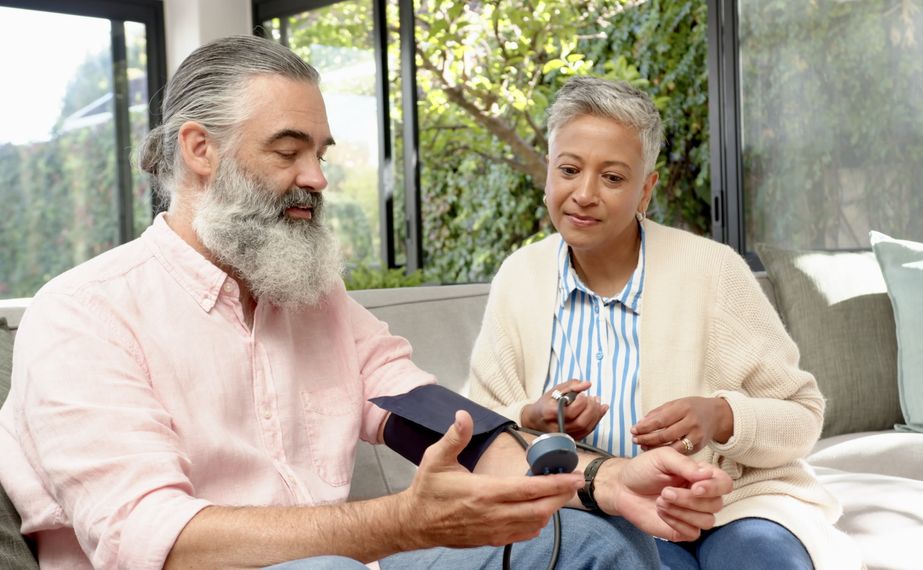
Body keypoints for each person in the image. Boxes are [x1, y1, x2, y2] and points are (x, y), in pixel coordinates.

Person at [0, 37, 734, 569]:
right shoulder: (82, 314)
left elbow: (437, 419)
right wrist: (401, 525)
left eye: (321, 152)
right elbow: (149, 539)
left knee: (596, 543)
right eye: (289, 151)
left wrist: (600, 481)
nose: (317, 177)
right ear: (200, 149)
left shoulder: (312, 297)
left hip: (351, 563)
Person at [466, 77, 864, 570]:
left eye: (613, 178)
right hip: (590, 510)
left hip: (731, 505)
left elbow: (802, 415)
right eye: (569, 169)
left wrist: (722, 416)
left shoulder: (714, 270)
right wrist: (530, 417)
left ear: (645, 190)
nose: (584, 194)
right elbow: (476, 430)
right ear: (549, 172)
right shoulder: (519, 278)